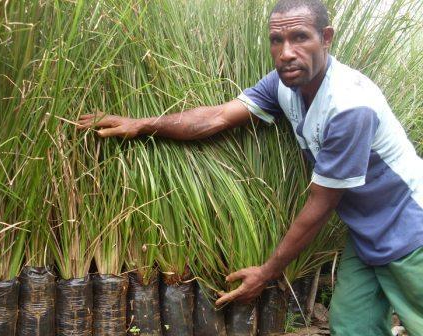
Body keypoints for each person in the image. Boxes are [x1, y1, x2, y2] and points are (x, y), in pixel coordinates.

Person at [77, 0, 423, 334]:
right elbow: (217, 117)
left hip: (410, 228)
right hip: (367, 234)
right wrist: (142, 124)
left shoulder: (349, 106)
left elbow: (321, 204)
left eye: (300, 37)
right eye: (277, 40)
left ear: (326, 38)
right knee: (351, 326)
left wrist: (267, 272)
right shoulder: (285, 84)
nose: (286, 52)